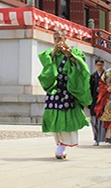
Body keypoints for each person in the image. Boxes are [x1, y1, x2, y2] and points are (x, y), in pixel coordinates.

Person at [37, 29, 91, 159]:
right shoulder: (50, 53)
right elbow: (46, 64)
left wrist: (70, 55)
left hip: (68, 88)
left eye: (60, 39)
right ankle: (59, 144)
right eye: (55, 39)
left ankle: (63, 145)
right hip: (55, 88)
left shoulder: (74, 51)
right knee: (53, 114)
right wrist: (54, 52)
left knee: (66, 114)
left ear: (65, 39)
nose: (58, 41)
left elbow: (81, 66)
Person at [89, 58, 106, 146]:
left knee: (103, 120)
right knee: (94, 120)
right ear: (95, 65)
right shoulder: (93, 76)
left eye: (101, 65)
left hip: (104, 100)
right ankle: (95, 138)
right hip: (94, 100)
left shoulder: (107, 75)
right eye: (98, 65)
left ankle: (102, 137)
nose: (100, 66)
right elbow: (89, 89)